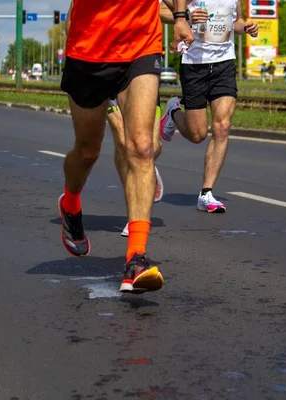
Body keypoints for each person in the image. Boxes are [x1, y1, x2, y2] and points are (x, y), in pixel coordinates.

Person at [59, 0, 165, 293]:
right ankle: (70, 203)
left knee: (142, 146)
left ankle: (136, 258)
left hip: (141, 45)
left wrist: (181, 16)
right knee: (88, 150)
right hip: (89, 50)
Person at [162, 0, 258, 213]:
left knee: (222, 126)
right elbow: (161, 11)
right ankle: (173, 111)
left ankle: (206, 193)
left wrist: (247, 27)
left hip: (224, 64)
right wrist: (186, 16)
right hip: (194, 65)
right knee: (197, 135)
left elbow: (237, 21)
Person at [103, 0, 175, 237]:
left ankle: (146, 166)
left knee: (149, 147)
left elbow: (167, 9)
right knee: (124, 141)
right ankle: (134, 218)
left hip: (141, 61)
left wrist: (185, 17)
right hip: (105, 62)